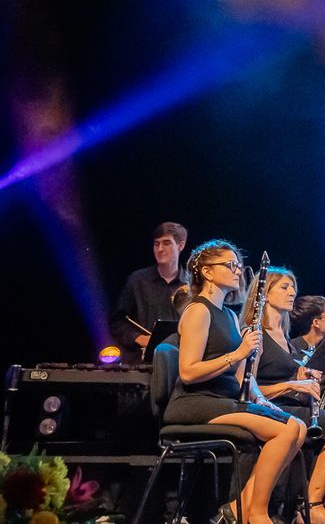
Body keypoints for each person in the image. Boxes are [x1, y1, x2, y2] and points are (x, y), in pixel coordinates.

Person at [164, 239, 305, 524]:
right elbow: (188, 372)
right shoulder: (198, 311)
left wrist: (261, 398)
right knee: (284, 432)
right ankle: (256, 513)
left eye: (238, 265)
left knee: (298, 427)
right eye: (230, 265)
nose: (238, 271)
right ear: (207, 272)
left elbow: (239, 376)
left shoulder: (228, 314)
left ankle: (236, 506)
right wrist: (238, 353)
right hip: (195, 402)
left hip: (223, 399)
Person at [246, 267, 325, 523]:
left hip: (291, 407)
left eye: (293, 287)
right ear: (265, 294)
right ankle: (312, 507)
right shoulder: (255, 332)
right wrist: (292, 385)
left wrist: (304, 377)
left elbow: (289, 378)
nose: (292, 292)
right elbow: (249, 387)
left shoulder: (284, 337)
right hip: (270, 409)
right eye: (284, 287)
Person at [111, 221, 190, 353]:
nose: (160, 249)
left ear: (180, 245)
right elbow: (117, 322)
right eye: (156, 244)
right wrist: (138, 338)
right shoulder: (137, 280)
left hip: (182, 361)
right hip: (143, 362)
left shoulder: (192, 284)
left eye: (166, 243)